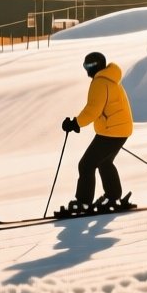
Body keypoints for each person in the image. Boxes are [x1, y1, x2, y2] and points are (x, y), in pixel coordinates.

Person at [59, 51, 134, 214]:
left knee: (86, 164)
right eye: (84, 66)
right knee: (104, 163)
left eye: (88, 66)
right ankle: (113, 197)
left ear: (96, 66)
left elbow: (93, 110)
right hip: (120, 130)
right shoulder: (111, 79)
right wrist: (77, 123)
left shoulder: (100, 82)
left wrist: (75, 123)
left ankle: (83, 203)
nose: (86, 70)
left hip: (111, 131)